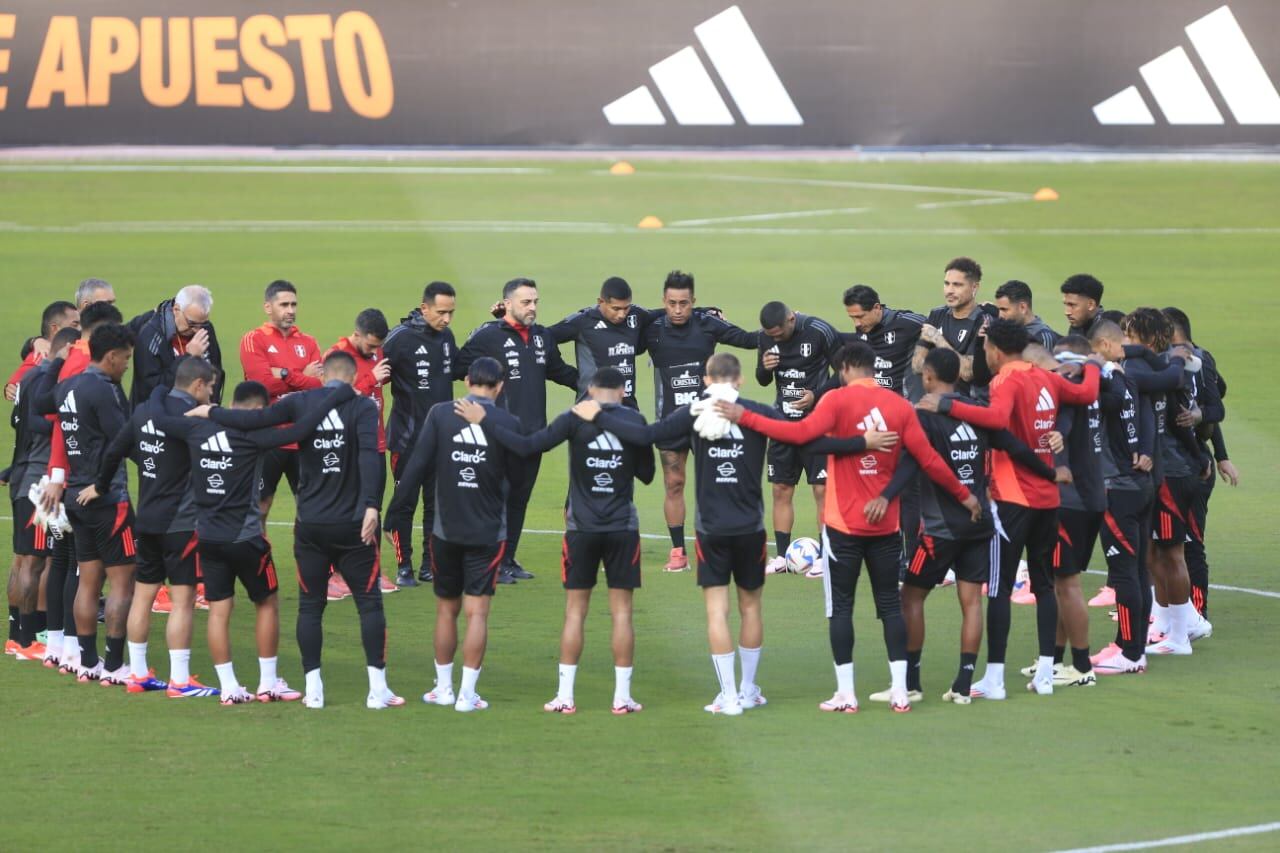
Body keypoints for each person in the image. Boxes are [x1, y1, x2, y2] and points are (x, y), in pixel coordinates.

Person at [589, 352, 884, 716]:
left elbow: (648, 434)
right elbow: (809, 442)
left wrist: (599, 413)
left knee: (717, 611)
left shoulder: (695, 412)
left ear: (707, 381)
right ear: (740, 380)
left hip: (711, 530)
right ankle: (747, 690)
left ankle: (728, 697)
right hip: (750, 530)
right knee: (751, 608)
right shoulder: (758, 413)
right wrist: (861, 443)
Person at [719, 343, 977, 714]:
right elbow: (929, 461)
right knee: (890, 606)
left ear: (845, 368)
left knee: (840, 608)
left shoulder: (836, 401)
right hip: (886, 526)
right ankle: (901, 692)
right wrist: (965, 496)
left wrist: (746, 416)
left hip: (843, 526)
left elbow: (797, 435)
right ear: (871, 367)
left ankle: (846, 694)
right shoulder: (899, 406)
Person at [204, 351, 401, 709]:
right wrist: (372, 504)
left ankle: (314, 691)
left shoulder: (300, 403)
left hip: (310, 524)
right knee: (368, 604)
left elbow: (257, 418)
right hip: (355, 524)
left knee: (311, 607)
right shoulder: (363, 408)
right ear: (355, 378)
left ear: (323, 375)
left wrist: (212, 412)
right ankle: (377, 690)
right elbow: (371, 457)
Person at [454, 367, 655, 714]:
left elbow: (528, 446)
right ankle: (622, 698)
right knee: (622, 613)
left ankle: (565, 696)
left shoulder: (574, 418)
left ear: (590, 390)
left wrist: (484, 420)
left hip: (581, 529)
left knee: (575, 612)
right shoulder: (633, 420)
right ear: (622, 392)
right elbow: (648, 475)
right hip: (622, 528)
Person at [917, 319, 1100, 697]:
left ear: (996, 350)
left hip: (1013, 498)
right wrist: (1095, 365)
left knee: (998, 589)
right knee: (1045, 584)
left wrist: (949, 404)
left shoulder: (1006, 380)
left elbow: (997, 419)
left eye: (986, 351)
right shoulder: (1046, 378)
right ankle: (1046, 674)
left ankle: (995, 679)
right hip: (1048, 498)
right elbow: (1085, 394)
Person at [150, 379, 356, 704]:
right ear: (259, 411)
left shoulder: (195, 430)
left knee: (219, 611)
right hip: (246, 538)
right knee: (267, 603)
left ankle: (230, 688)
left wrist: (160, 387)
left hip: (208, 537)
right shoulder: (254, 437)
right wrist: (341, 394)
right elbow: (301, 430)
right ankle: (268, 682)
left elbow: (159, 418)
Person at [890, 348, 1055, 704]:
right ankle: (964, 684)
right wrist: (1051, 472)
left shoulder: (925, 417)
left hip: (940, 530)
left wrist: (887, 495)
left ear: (929, 377)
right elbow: (1016, 447)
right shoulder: (977, 414)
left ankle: (913, 681)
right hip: (980, 524)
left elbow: (914, 464)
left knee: (911, 596)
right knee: (971, 603)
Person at [384, 358, 524, 713]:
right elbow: (519, 477)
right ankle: (467, 696)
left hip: (445, 530)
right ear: (500, 386)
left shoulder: (441, 414)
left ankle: (443, 689)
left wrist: (395, 514)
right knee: (477, 614)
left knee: (446, 610)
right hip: (488, 530)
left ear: (466, 381)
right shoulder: (507, 422)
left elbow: (415, 466)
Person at [88, 357, 219, 696]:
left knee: (143, 596)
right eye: (211, 386)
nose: (213, 393)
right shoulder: (191, 419)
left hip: (145, 518)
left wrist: (101, 485)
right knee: (183, 600)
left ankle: (139, 674)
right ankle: (179, 680)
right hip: (180, 522)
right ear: (198, 385)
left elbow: (114, 450)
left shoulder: (145, 410)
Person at [453, 278, 579, 583]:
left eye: (535, 301)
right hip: (496, 435)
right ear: (506, 304)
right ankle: (488, 562)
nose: (533, 307)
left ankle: (507, 559)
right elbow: (458, 368)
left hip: (533, 435)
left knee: (519, 499)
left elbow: (558, 371)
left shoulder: (542, 337)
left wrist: (596, 387)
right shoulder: (488, 336)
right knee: (496, 499)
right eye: (526, 302)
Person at [643, 271, 758, 572]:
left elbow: (746, 339)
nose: (678, 310)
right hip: (670, 420)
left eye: (684, 303)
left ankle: (716, 546)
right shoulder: (652, 330)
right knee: (674, 483)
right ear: (663, 302)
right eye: (671, 303)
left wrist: (784, 327)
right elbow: (622, 328)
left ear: (693, 301)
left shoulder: (708, 325)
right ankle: (678, 551)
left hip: (709, 419)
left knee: (715, 483)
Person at [55, 323, 138, 685]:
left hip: (75, 496)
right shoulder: (104, 390)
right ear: (111, 356)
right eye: (126, 359)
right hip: (107, 498)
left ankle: (87, 662)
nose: (127, 366)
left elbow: (43, 400)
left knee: (88, 580)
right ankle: (115, 665)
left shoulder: (67, 386)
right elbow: (123, 439)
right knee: (123, 583)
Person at [1121, 309, 1205, 656]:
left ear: (1148, 338)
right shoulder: (1162, 367)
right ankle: (1173, 624)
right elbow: (1177, 417)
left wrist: (1198, 457)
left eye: (1130, 334)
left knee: (1172, 553)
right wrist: (1200, 456)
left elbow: (1178, 416)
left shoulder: (1147, 370)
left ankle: (1182, 634)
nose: (1125, 340)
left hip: (1169, 472)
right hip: (1164, 470)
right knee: (1154, 552)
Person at [3, 329, 80, 661]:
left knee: (24, 561)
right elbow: (38, 425)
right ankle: (27, 640)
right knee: (35, 561)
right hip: (38, 481)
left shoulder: (29, 378)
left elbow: (17, 421)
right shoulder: (46, 382)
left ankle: (16, 635)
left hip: (24, 474)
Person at [1086, 320, 1154, 674]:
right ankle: (1130, 645)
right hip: (1140, 485)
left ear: (1101, 346)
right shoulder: (1128, 377)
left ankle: (1130, 655)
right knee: (1138, 570)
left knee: (1124, 573)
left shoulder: (1103, 381)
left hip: (1116, 488)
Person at [755, 301, 842, 575]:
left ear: (791, 319)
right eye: (770, 334)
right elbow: (762, 380)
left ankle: (824, 557)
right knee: (780, 488)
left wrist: (816, 396)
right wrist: (765, 368)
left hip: (817, 424)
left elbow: (844, 372)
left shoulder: (819, 331)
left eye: (778, 334)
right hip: (782, 424)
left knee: (821, 491)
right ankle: (781, 556)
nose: (774, 338)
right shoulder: (765, 337)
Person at [382, 282, 457, 587]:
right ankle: (403, 565)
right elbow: (370, 369)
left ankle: (429, 564)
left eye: (451, 312)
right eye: (441, 312)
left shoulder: (447, 337)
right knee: (405, 503)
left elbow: (461, 369)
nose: (447, 319)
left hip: (440, 440)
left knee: (435, 504)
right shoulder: (399, 339)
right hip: (407, 439)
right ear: (424, 308)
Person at [1163, 306, 1230, 629]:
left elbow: (1216, 406)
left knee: (1190, 544)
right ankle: (1172, 611)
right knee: (1166, 545)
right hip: (1178, 463)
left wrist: (1217, 452)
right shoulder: (1167, 361)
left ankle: (1198, 613)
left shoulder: (1200, 362)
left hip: (1192, 465)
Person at [325, 308, 398, 597]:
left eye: (378, 346)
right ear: (356, 335)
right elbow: (333, 396)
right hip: (345, 446)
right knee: (343, 509)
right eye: (370, 346)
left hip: (374, 443)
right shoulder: (336, 357)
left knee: (373, 508)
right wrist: (372, 379)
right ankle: (336, 573)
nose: (375, 351)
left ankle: (371, 570)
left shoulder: (376, 353)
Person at [238, 280, 324, 519]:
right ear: (268, 307)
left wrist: (283, 373)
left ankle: (305, 558)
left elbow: (319, 385)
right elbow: (262, 385)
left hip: (303, 438)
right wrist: (300, 376)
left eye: (294, 304)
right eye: (284, 304)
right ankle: (260, 557)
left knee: (309, 509)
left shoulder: (309, 342)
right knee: (260, 507)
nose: (291, 310)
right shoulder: (254, 339)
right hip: (267, 438)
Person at [549, 276, 659, 408]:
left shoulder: (635, 315)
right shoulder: (583, 322)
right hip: (591, 411)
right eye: (616, 309)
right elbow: (543, 338)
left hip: (628, 410)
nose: (622, 314)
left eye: (626, 308)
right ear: (601, 302)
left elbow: (664, 316)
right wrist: (568, 376)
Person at [130, 285, 222, 405]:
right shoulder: (151, 335)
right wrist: (188, 358)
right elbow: (151, 388)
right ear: (176, 310)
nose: (197, 330)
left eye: (203, 323)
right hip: (162, 418)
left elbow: (216, 373)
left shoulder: (205, 329)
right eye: (192, 323)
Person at [912, 257, 990, 397]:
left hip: (968, 405)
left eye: (957, 285)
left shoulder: (983, 321)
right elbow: (917, 365)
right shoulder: (937, 314)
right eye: (946, 284)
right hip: (937, 401)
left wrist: (938, 339)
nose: (949, 290)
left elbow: (967, 372)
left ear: (974, 287)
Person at [841, 284, 926, 399]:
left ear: (877, 308)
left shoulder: (906, 323)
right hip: (874, 405)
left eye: (860, 317)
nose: (856, 323)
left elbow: (936, 327)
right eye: (852, 318)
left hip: (903, 404)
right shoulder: (863, 328)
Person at [5, 300, 79, 402]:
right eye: (75, 325)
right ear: (55, 328)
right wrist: (11, 387)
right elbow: (13, 388)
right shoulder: (41, 354)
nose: (80, 329)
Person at [993, 280, 1059, 349]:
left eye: (1004, 309)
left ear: (1023, 307)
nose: (1000, 315)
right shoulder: (1007, 331)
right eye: (999, 310)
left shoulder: (1042, 337)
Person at [1061, 274, 1106, 338]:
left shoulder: (1106, 332)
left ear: (1091, 305)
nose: (1066, 312)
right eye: (1066, 304)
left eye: (1072, 305)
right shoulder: (1078, 325)